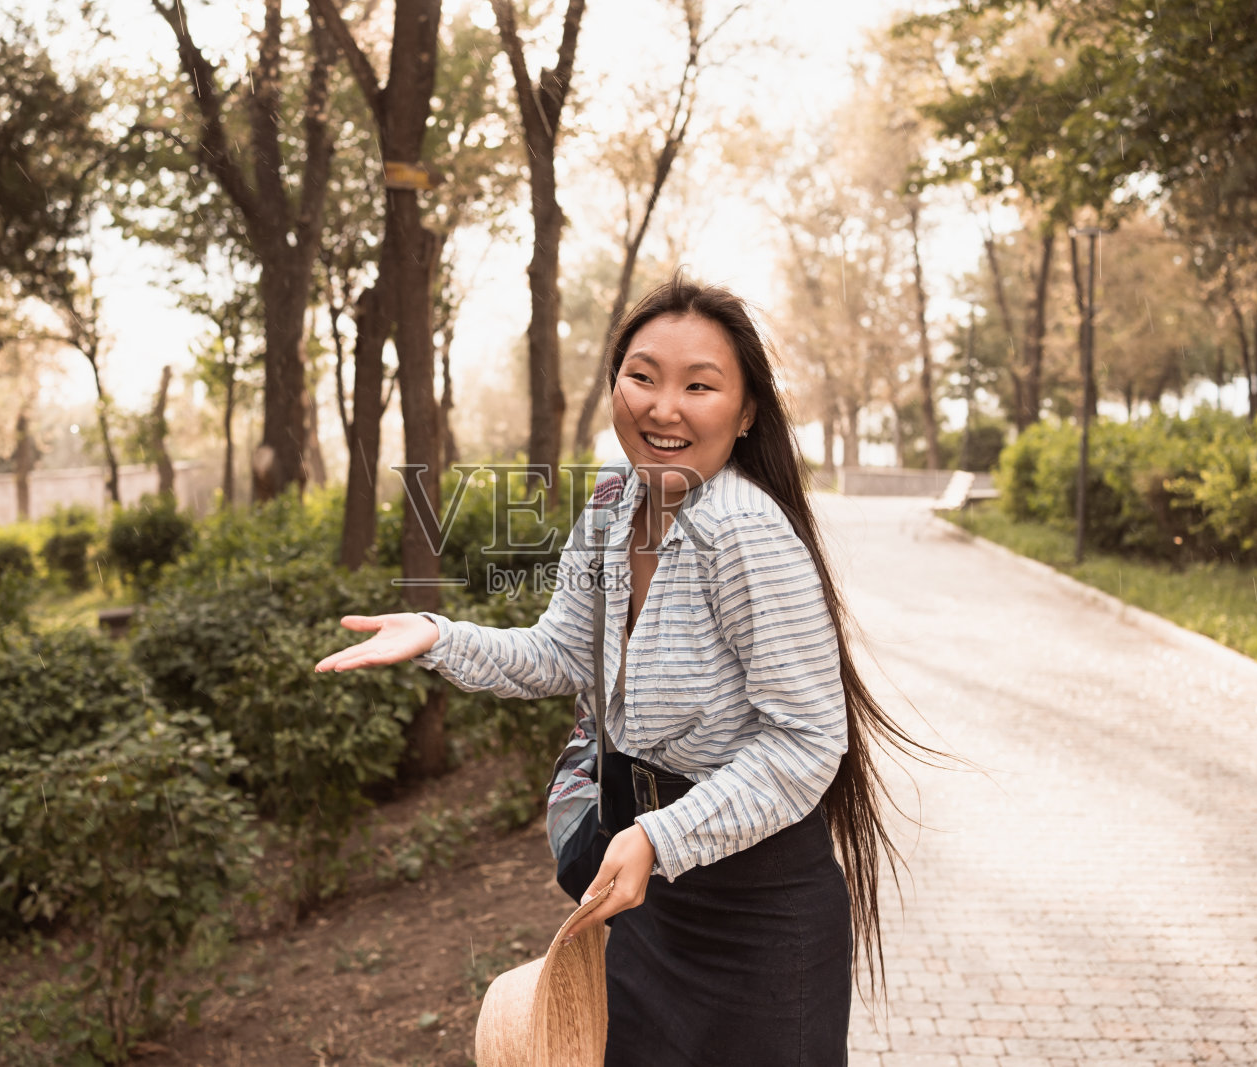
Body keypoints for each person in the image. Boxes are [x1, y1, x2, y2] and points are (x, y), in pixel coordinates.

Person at [315, 273, 925, 1066]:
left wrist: (659, 836)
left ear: (744, 415)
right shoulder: (610, 507)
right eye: (642, 376)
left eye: (698, 386)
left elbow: (807, 743)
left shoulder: (744, 530)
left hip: (756, 913)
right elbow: (559, 653)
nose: (662, 407)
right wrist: (435, 635)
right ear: (614, 385)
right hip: (647, 894)